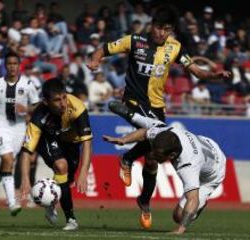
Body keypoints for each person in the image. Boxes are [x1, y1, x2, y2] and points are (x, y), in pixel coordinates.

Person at [87, 5, 231, 229]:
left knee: (153, 159)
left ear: (171, 30)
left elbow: (194, 70)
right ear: (151, 25)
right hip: (134, 100)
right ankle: (127, 155)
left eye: (166, 29)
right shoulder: (135, 41)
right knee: (155, 133)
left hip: (157, 106)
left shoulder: (175, 48)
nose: (161, 33)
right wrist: (96, 61)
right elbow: (103, 49)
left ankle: (144, 201)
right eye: (158, 28)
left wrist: (214, 75)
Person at [103, 111, 226, 235]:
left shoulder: (187, 165)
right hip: (206, 147)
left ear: (172, 155)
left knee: (179, 217)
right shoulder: (164, 133)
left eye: (158, 155)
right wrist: (122, 140)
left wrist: (180, 230)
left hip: (213, 172)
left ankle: (202, 203)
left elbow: (193, 199)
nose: (154, 158)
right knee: (180, 214)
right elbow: (144, 133)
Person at [20, 79, 93, 231]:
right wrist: (25, 179)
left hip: (72, 143)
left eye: (64, 97)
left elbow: (87, 143)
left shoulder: (77, 107)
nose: (63, 103)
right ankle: (71, 219)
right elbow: (26, 151)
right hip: (48, 138)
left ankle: (49, 201)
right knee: (61, 166)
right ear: (46, 102)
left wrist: (84, 172)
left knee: (67, 180)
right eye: (57, 100)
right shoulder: (38, 117)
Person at [0, 51, 40, 215]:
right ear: (5, 66)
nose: (12, 67)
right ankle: (12, 203)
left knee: (7, 164)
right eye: (9, 64)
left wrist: (27, 109)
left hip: (20, 129)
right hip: (0, 127)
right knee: (7, 160)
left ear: (19, 65)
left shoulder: (28, 85)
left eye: (15, 64)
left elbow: (38, 106)